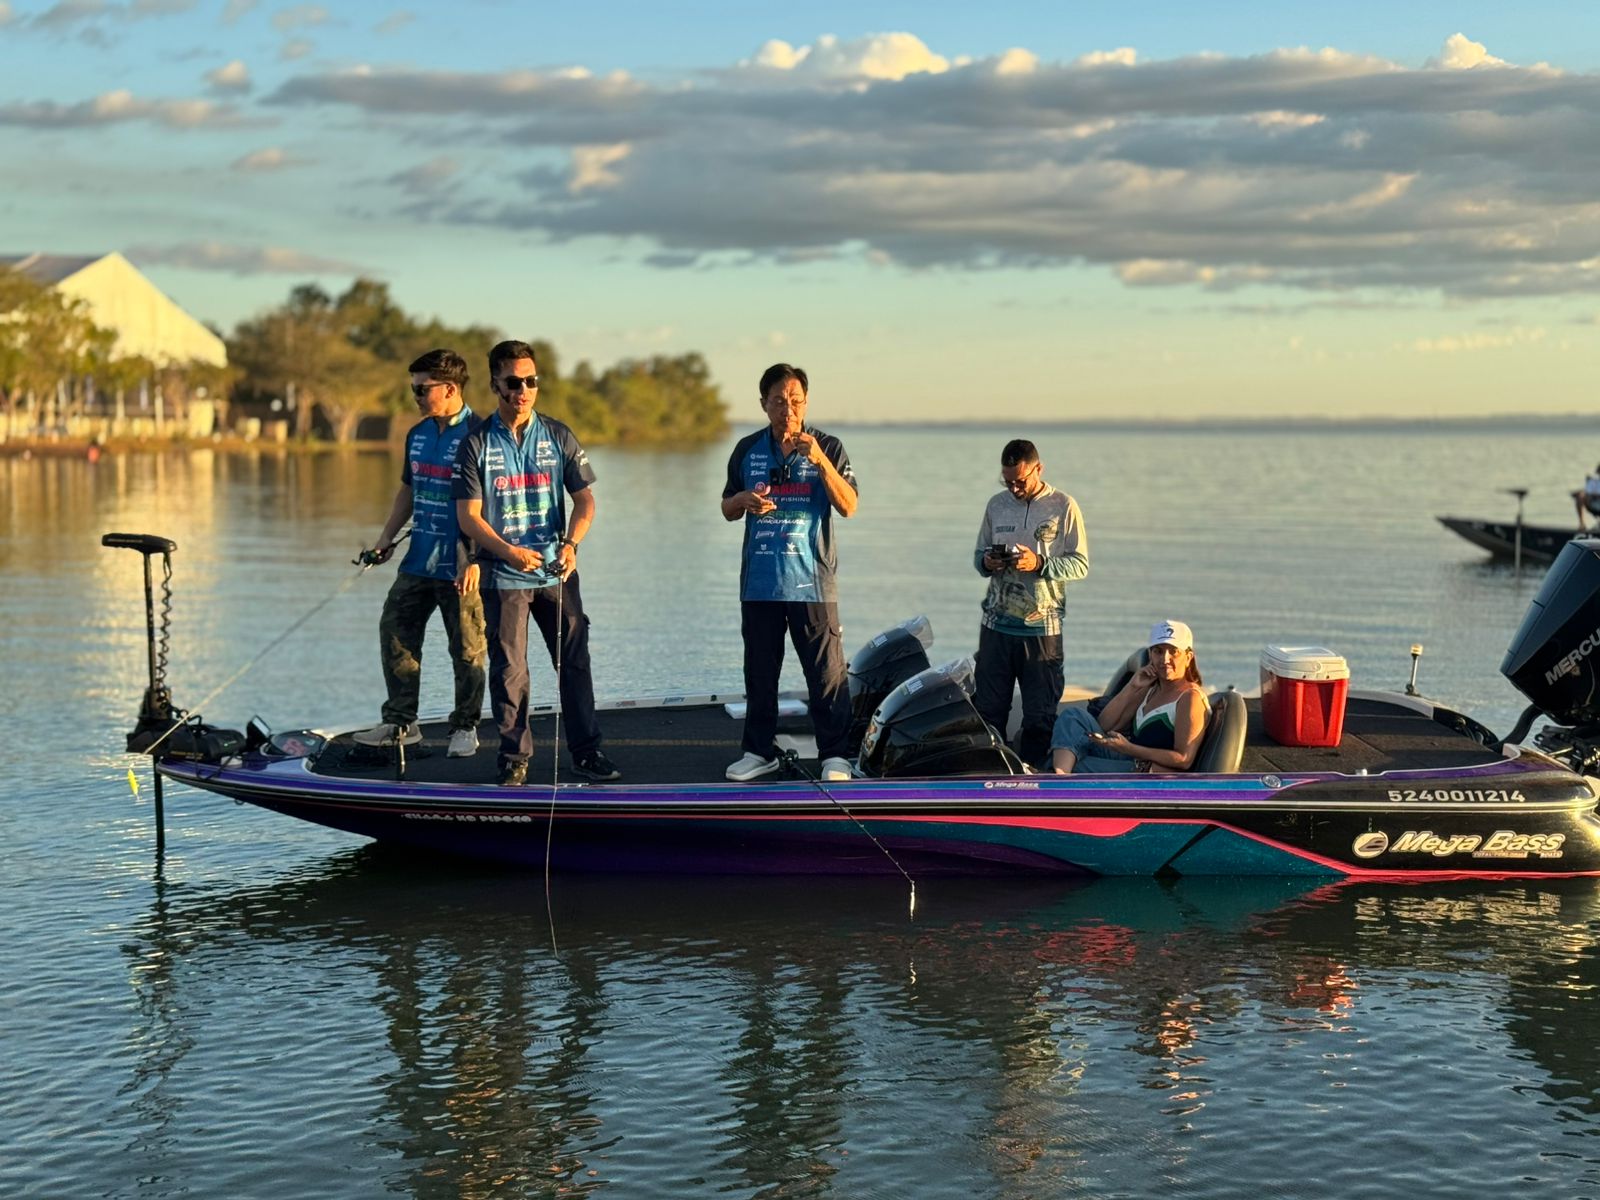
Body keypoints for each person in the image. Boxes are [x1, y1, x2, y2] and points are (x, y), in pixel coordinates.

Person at [452, 339, 619, 787]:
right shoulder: (475, 444)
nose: (523, 389)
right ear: (495, 385)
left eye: (531, 381)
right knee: (511, 670)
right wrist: (507, 550)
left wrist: (572, 544)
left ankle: (587, 752)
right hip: (504, 576)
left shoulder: (559, 435)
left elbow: (585, 501)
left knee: (575, 661)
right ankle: (514, 759)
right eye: (513, 382)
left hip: (557, 572)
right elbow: (467, 516)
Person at [721, 363, 858, 782]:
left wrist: (818, 460)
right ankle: (758, 751)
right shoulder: (747, 448)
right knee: (760, 673)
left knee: (826, 674)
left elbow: (849, 505)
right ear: (763, 403)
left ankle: (836, 755)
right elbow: (726, 508)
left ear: (806, 402)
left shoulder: (828, 446)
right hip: (760, 582)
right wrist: (745, 499)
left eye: (795, 400)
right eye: (779, 401)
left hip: (812, 582)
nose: (788, 409)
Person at [353, 349, 487, 758]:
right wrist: (385, 539)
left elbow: (494, 507)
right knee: (394, 632)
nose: (415, 396)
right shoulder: (418, 434)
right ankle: (400, 723)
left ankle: (465, 727)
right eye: (413, 388)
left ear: (449, 388)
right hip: (418, 561)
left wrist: (478, 559)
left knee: (466, 649)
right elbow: (408, 491)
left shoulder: (483, 435)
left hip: (461, 564)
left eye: (421, 389)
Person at [972, 439, 1089, 765]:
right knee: (988, 712)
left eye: (1020, 481)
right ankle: (991, 777)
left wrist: (1038, 563)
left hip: (1042, 630)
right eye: (1007, 481)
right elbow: (978, 555)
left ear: (1039, 469)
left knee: (1039, 716)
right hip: (995, 627)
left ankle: (1034, 782)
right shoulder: (996, 505)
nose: (1014, 488)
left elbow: (1080, 564)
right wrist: (988, 563)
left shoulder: (1063, 506)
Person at [1051, 620, 1208, 774]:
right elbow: (1105, 725)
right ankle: (1060, 776)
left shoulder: (1190, 697)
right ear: (1150, 655)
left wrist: (1129, 748)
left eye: (1174, 651)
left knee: (1077, 764)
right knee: (1073, 715)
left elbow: (1184, 759)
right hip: (1128, 757)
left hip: (1146, 772)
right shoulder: (1151, 690)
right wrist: (1132, 686)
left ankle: (1056, 779)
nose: (1165, 659)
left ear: (1188, 657)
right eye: (1158, 651)